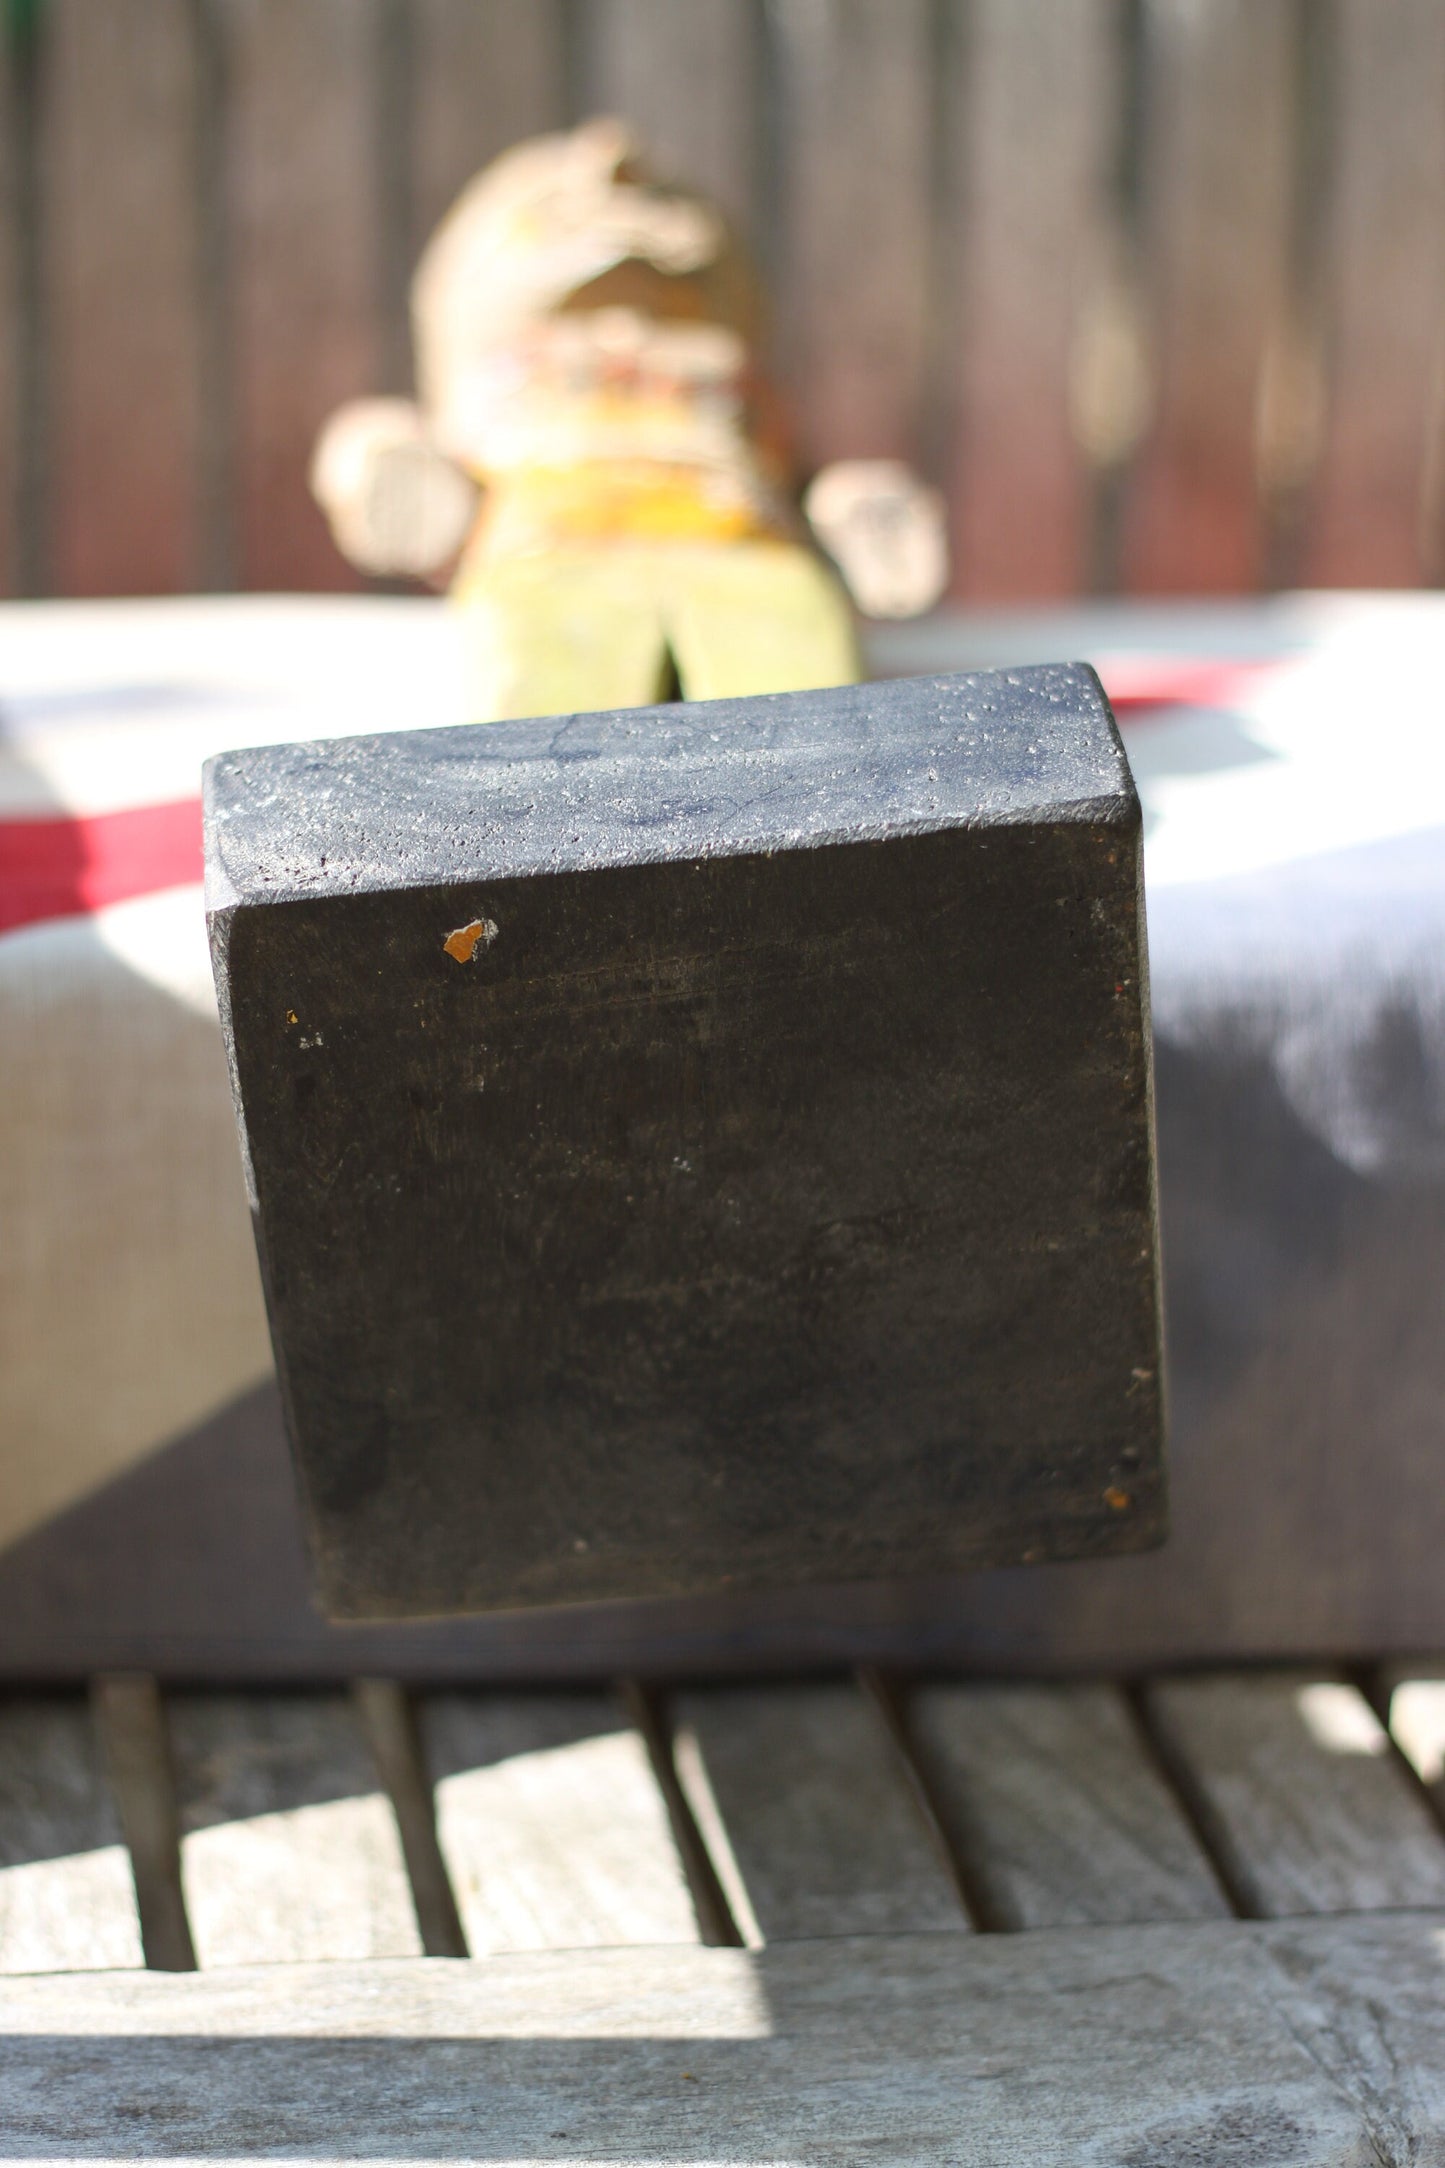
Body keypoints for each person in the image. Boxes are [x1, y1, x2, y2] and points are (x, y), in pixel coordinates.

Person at [311, 118, 947, 719]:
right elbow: (372, 445)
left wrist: (855, 514)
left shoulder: (735, 392)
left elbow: (799, 480)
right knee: (553, 719)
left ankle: (825, 821)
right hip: (549, 556)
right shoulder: (508, 386)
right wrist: (391, 469)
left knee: (805, 720)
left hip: (754, 561)